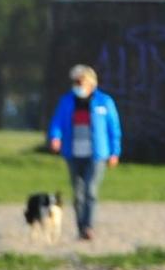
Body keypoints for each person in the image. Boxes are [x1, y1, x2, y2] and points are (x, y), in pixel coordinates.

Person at [46, 63, 121, 242]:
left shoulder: (105, 102)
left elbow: (114, 129)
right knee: (77, 193)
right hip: (73, 153)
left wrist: (114, 152)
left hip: (97, 154)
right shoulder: (67, 101)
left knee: (90, 190)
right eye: (75, 82)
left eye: (80, 81)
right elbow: (57, 122)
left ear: (90, 82)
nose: (77, 85)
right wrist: (55, 137)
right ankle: (81, 228)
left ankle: (89, 226)